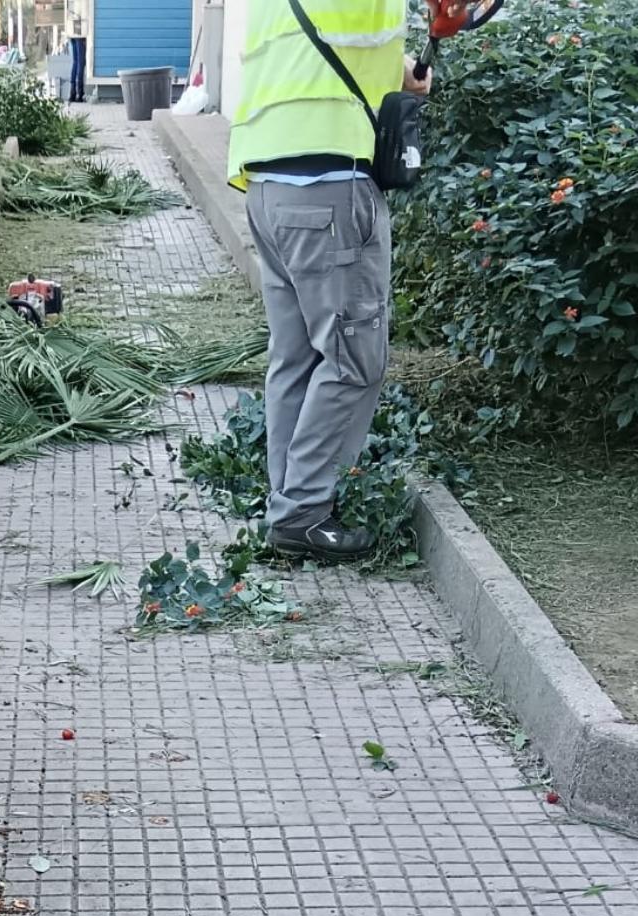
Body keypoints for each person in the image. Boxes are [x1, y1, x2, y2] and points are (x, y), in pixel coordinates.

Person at [226, 0, 430, 561]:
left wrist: (400, 65)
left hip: (267, 186)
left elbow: (339, 42)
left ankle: (287, 498)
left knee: (295, 356)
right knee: (353, 359)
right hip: (329, 188)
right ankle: (302, 514)